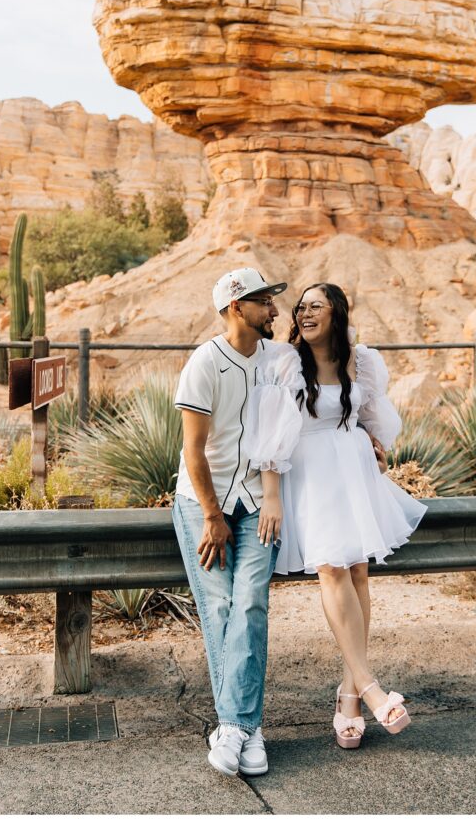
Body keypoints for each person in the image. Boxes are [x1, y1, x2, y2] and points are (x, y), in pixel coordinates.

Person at [243, 282, 427, 749]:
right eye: (300, 307)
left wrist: (373, 439)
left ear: (337, 313)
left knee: (359, 571)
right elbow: (270, 433)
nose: (304, 313)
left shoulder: (361, 360)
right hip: (310, 475)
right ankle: (371, 688)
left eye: (315, 306)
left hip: (353, 469)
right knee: (331, 568)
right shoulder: (285, 362)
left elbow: (369, 414)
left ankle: (349, 695)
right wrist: (273, 496)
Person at [171, 267, 297, 778]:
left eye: (272, 300)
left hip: (257, 500)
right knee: (219, 604)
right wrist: (210, 516)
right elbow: (193, 451)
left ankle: (234, 727)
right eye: (264, 301)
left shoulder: (279, 360)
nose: (274, 310)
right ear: (235, 307)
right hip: (203, 502)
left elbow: (287, 431)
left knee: (250, 603)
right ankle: (248, 726)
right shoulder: (203, 363)